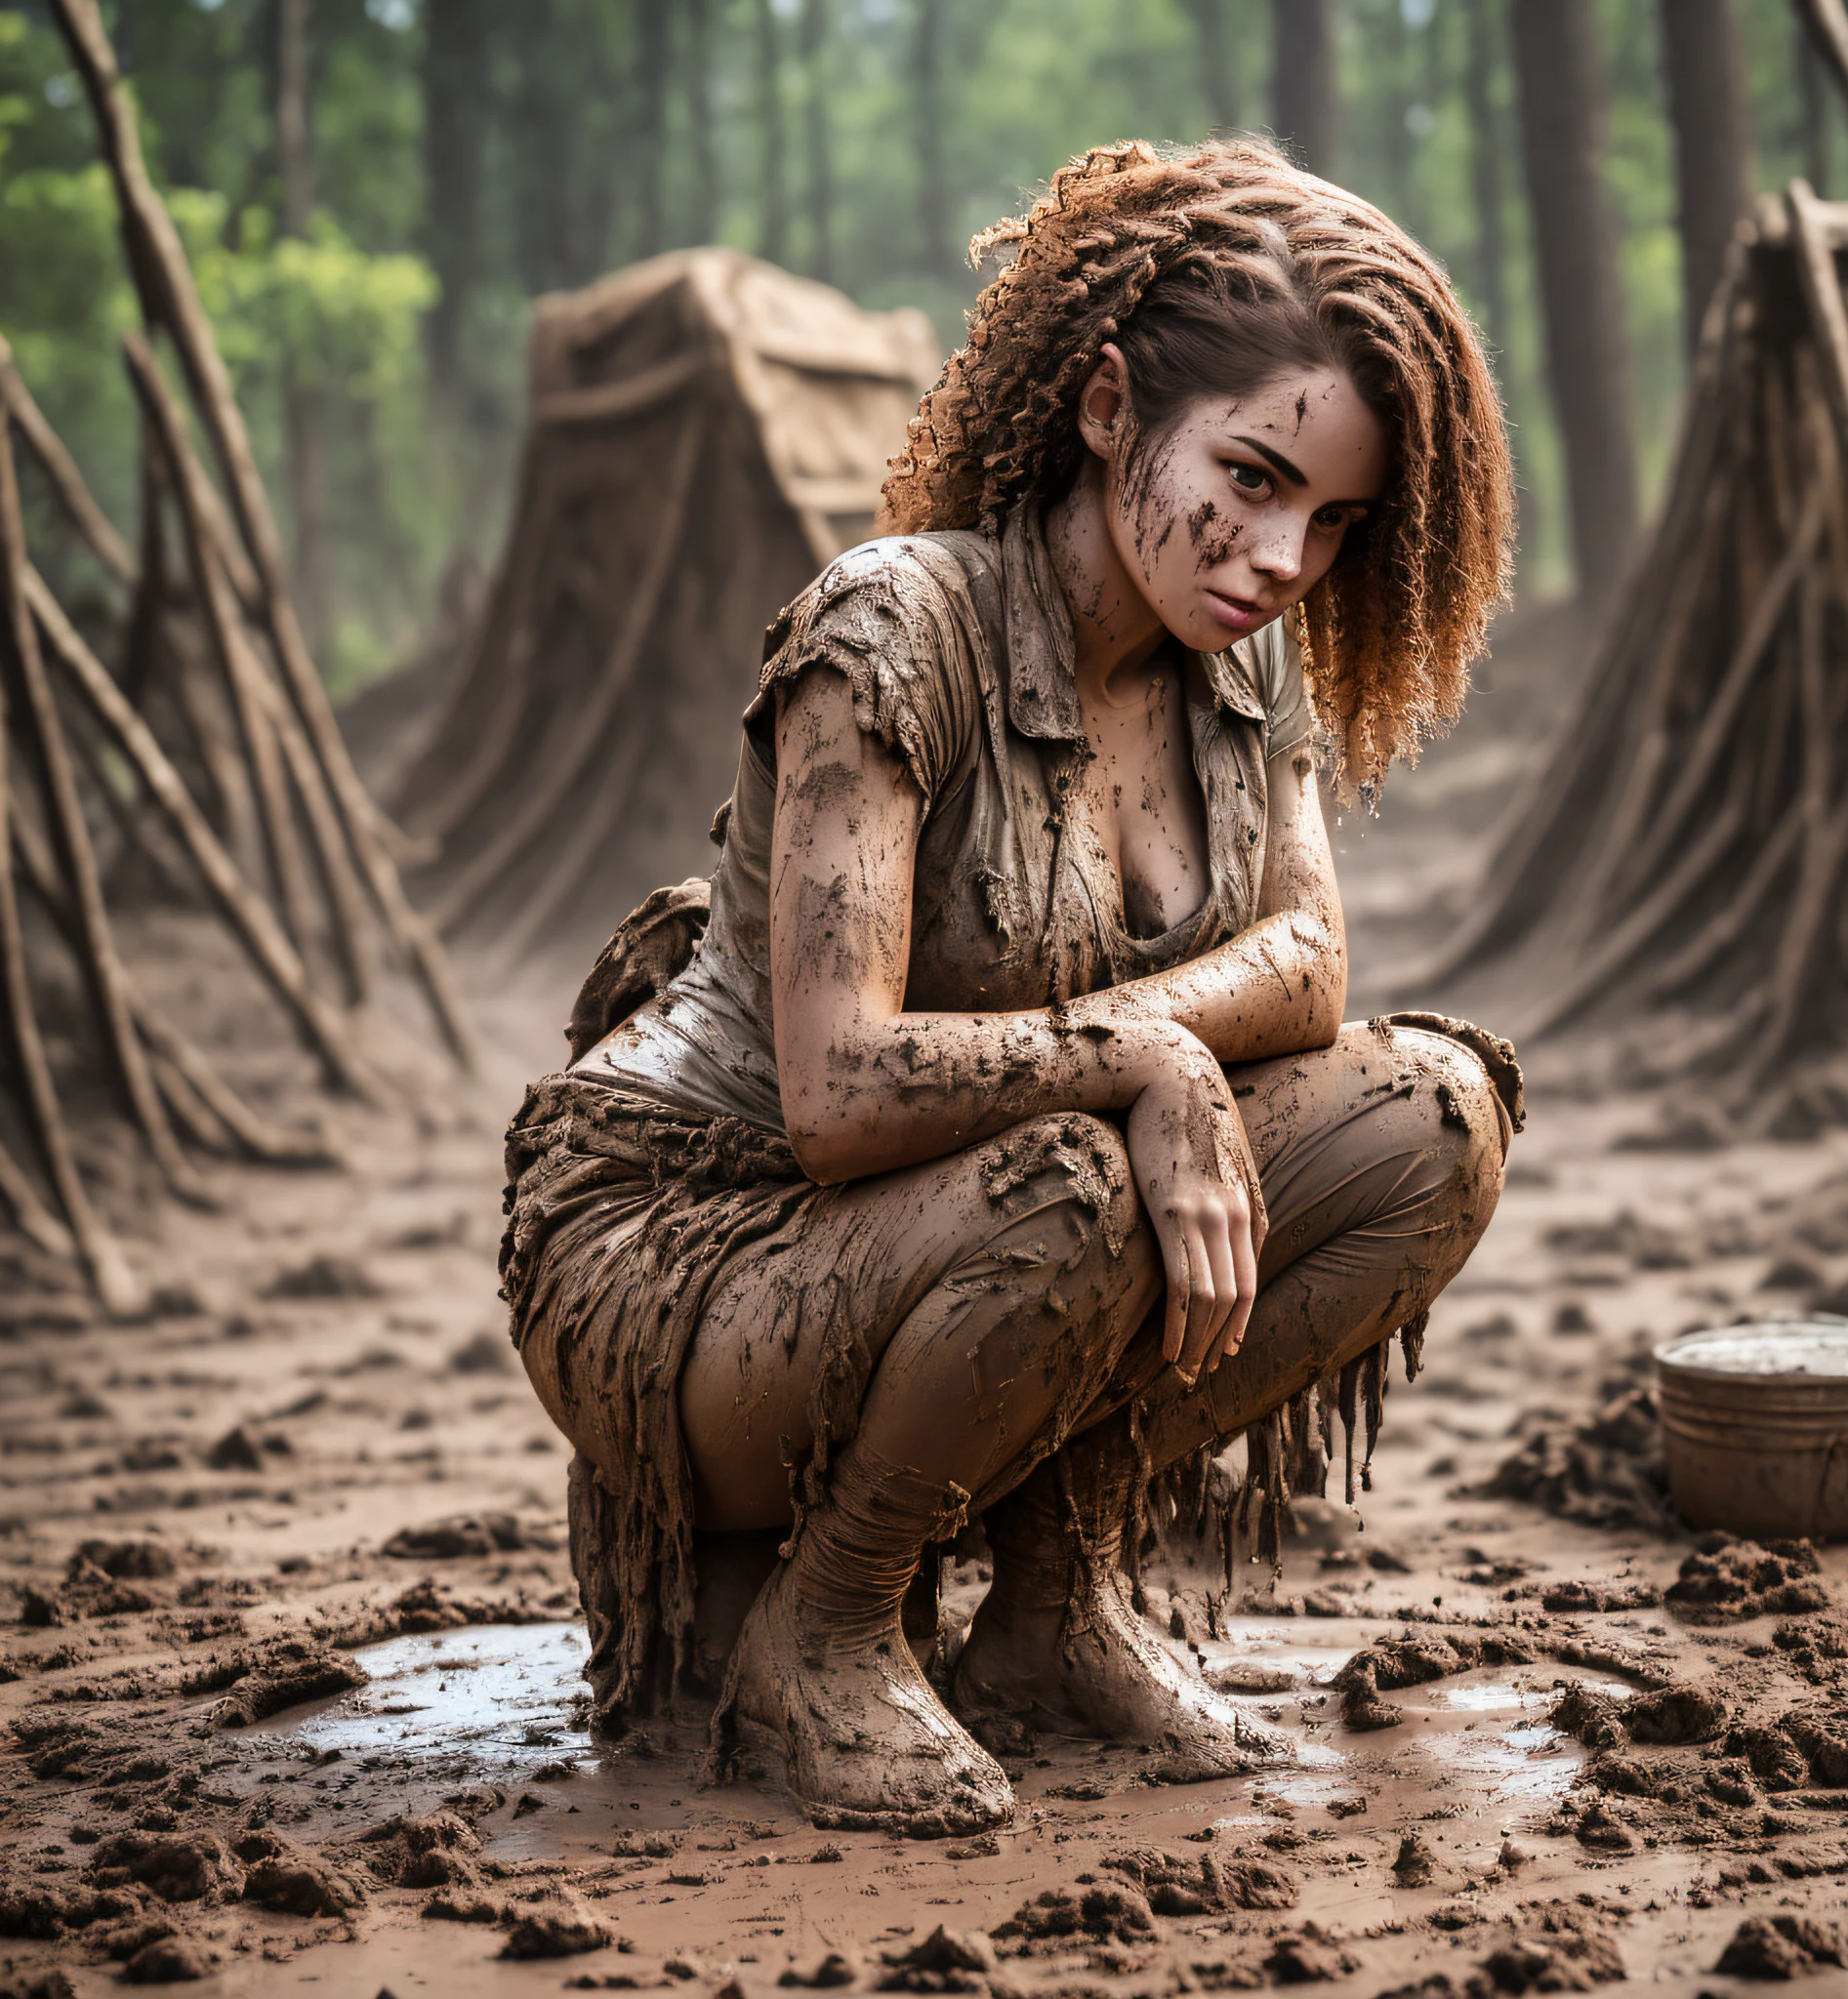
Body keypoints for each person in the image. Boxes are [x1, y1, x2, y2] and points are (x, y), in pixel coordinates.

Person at [501, 137, 1521, 1838]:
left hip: (981, 1221)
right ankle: (822, 1633)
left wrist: (1147, 1062)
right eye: (1254, 477)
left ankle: (1057, 1604)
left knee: (1436, 1117)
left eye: (1333, 521)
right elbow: (832, 1093)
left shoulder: (1234, 658)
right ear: (1110, 404)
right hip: (687, 1240)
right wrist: (1141, 1065)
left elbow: (1313, 973)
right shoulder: (894, 633)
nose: (1281, 556)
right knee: (1090, 1182)